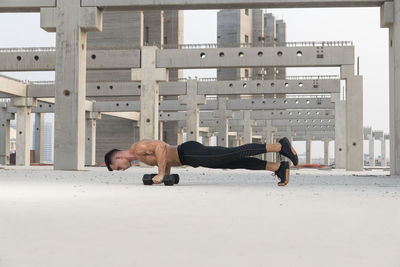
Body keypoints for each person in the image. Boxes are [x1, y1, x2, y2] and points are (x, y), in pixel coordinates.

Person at [104, 137, 298, 186]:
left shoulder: (136, 148)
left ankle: (280, 147)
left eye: (117, 167)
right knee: (232, 162)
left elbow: (161, 147)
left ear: (119, 158)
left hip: (189, 152)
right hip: (188, 157)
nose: (121, 170)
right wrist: (165, 174)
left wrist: (161, 173)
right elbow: (164, 158)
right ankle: (278, 167)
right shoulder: (139, 157)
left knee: (233, 153)